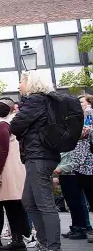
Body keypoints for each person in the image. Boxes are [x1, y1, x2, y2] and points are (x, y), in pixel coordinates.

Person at [11, 70, 61, 251]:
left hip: (38, 155)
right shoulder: (48, 101)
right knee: (29, 200)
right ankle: (45, 242)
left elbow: (16, 125)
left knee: (44, 203)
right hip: (42, 155)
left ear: (30, 82)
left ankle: (52, 246)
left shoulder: (35, 100)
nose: (19, 86)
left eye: (21, 82)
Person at [0, 98, 31, 250]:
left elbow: (3, 150)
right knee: (9, 204)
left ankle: (16, 240)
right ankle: (13, 239)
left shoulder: (1, 125)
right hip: (8, 168)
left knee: (10, 205)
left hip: (6, 169)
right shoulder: (3, 123)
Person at [54, 94, 93, 240]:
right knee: (74, 201)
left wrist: (64, 167)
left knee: (78, 200)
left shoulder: (87, 119)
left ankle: (82, 227)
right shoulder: (72, 121)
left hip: (80, 166)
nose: (80, 105)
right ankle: (79, 226)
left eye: (82, 102)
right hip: (72, 166)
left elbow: (81, 144)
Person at [71, 95, 93, 243]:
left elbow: (85, 133)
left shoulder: (88, 113)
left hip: (88, 163)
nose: (80, 104)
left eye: (81, 102)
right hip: (82, 163)